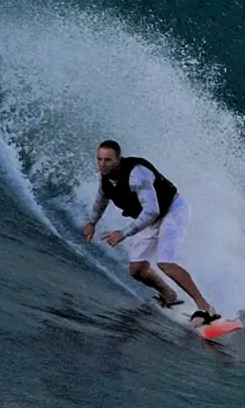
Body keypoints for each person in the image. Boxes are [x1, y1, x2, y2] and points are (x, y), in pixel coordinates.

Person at [82, 139, 218, 326]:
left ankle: (207, 308)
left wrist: (124, 233)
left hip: (172, 211)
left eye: (107, 160)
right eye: (99, 159)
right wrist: (92, 223)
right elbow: (101, 200)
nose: (102, 164)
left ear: (118, 159)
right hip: (150, 220)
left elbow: (152, 210)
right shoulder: (106, 179)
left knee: (165, 262)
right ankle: (169, 295)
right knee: (136, 270)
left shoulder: (137, 174)